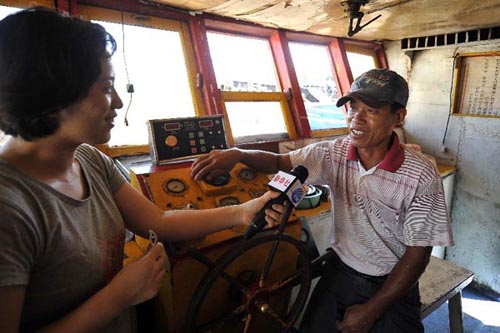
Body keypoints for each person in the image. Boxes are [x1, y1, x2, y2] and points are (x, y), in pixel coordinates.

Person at [0, 7, 281, 333]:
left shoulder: (90, 160)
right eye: (106, 88)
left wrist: (243, 212)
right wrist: (119, 296)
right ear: (54, 94)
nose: (119, 102)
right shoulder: (10, 205)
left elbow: (158, 221)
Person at [191, 68, 454, 332]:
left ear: (398, 117)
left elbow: (418, 256)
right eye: (353, 107)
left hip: (392, 283)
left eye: (371, 110)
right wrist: (238, 154)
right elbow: (279, 161)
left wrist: (371, 311)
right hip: (340, 270)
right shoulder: (333, 153)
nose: (356, 119)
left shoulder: (421, 174)